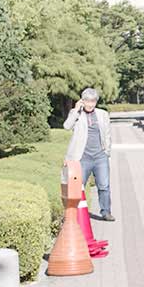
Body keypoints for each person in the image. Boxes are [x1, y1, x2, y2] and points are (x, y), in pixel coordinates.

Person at [64, 88, 114, 222]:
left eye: (93, 101)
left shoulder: (102, 114)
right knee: (78, 186)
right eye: (87, 101)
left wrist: (107, 151)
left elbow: (107, 134)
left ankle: (106, 212)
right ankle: (76, 214)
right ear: (82, 101)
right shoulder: (76, 114)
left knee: (104, 185)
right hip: (83, 157)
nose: (90, 104)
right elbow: (67, 126)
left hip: (100, 156)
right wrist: (76, 110)